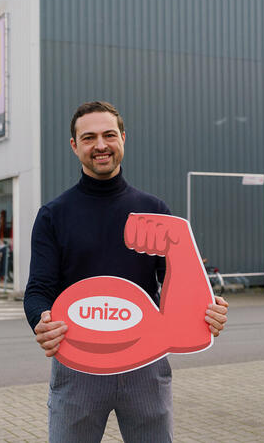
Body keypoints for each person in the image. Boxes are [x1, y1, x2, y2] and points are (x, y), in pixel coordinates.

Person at [24, 101, 228, 442]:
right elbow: (38, 290)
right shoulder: (53, 215)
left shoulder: (155, 212)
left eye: (109, 135)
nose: (100, 145)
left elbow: (178, 288)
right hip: (78, 364)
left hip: (146, 365)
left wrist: (207, 310)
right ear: (74, 146)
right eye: (88, 137)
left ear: (123, 138)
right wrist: (40, 320)